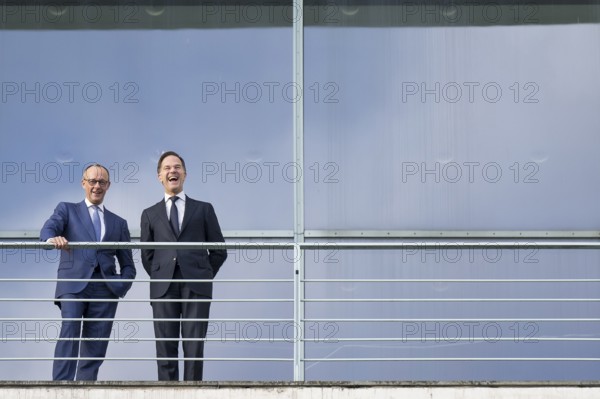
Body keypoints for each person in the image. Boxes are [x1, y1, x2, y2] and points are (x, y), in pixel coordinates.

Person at [40, 163, 136, 381]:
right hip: (73, 284)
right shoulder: (67, 209)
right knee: (70, 327)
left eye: (102, 182)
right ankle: (61, 386)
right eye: (92, 181)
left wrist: (119, 285)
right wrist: (51, 239)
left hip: (105, 289)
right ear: (84, 183)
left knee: (96, 343)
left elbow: (128, 264)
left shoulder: (119, 223)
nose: (97, 186)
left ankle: (86, 387)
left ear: (108, 186)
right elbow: (49, 228)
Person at [140, 151, 227, 381]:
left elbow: (219, 250)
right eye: (167, 168)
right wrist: (162, 274)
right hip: (163, 288)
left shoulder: (204, 209)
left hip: (196, 286)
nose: (172, 171)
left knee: (194, 347)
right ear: (159, 176)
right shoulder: (149, 214)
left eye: (177, 167)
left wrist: (203, 274)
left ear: (185, 174)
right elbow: (147, 255)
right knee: (165, 349)